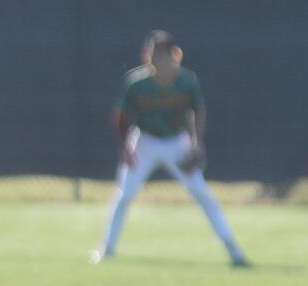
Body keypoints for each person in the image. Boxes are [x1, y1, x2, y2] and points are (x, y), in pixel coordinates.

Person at [94, 31, 249, 267]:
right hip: (144, 141)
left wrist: (196, 143)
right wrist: (125, 146)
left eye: (164, 54)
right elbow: (121, 115)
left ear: (176, 55)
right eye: (155, 54)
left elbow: (198, 110)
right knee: (124, 194)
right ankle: (107, 248)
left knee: (202, 194)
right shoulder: (136, 83)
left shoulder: (187, 81)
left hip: (176, 142)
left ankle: (233, 250)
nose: (159, 59)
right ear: (147, 56)